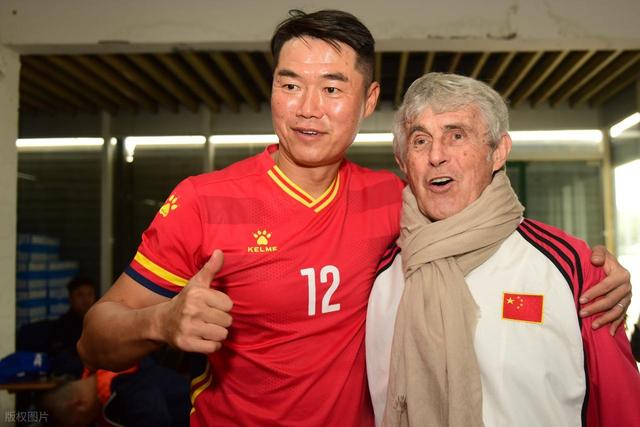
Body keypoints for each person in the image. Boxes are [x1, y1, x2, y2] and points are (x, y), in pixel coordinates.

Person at [78, 10, 631, 426]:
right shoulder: (203, 201)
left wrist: (593, 268)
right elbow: (93, 340)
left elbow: (483, 221)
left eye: (332, 88)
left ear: (368, 101)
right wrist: (161, 323)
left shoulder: (393, 200)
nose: (307, 107)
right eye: (289, 85)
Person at [366, 73, 640, 427]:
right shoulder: (375, 275)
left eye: (456, 136)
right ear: (403, 161)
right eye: (420, 141)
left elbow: (621, 409)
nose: (436, 155)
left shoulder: (574, 269)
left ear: (498, 152)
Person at [41, 358, 190, 427]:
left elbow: (157, 422)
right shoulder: (100, 376)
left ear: (79, 404)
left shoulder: (126, 387)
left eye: (77, 425)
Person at [49, 277, 97, 377]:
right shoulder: (62, 325)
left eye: (90, 294)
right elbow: (62, 358)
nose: (86, 300)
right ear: (71, 298)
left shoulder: (99, 322)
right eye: (80, 295)